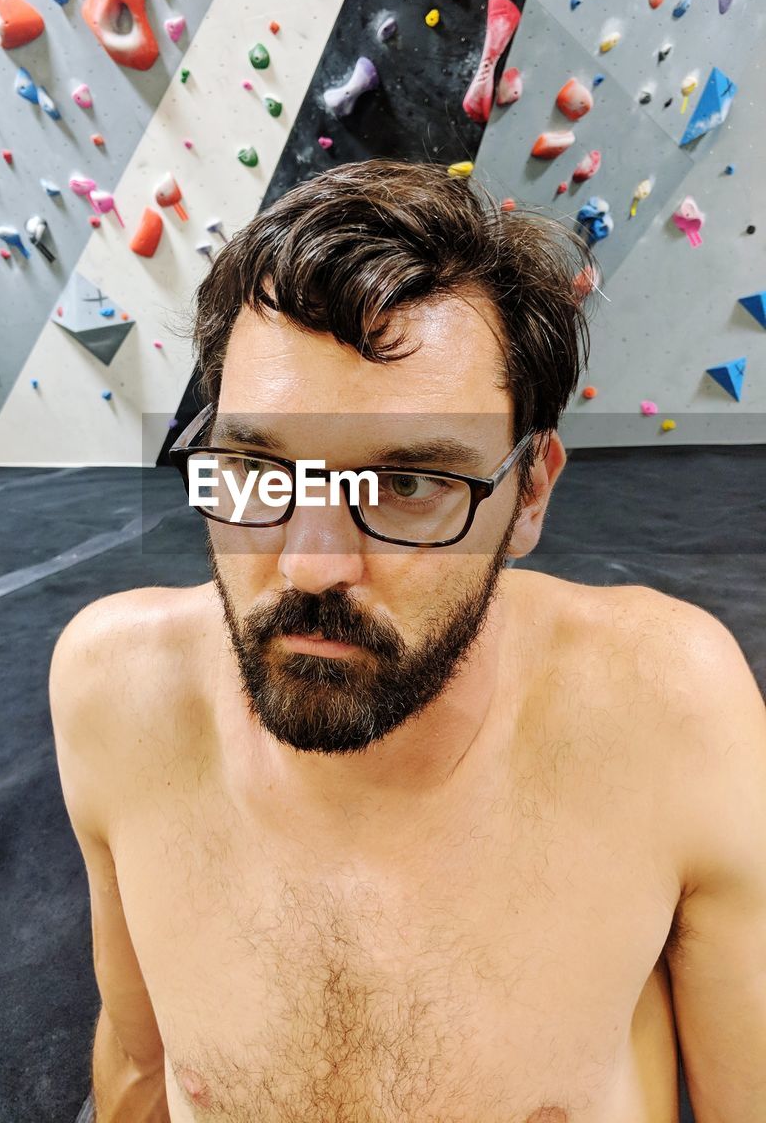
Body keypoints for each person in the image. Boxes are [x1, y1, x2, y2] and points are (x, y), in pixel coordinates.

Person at [50, 160, 766, 1123]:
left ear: (530, 494)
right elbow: (137, 1072)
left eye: (407, 484)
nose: (310, 565)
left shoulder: (671, 712)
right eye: (258, 465)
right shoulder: (116, 692)